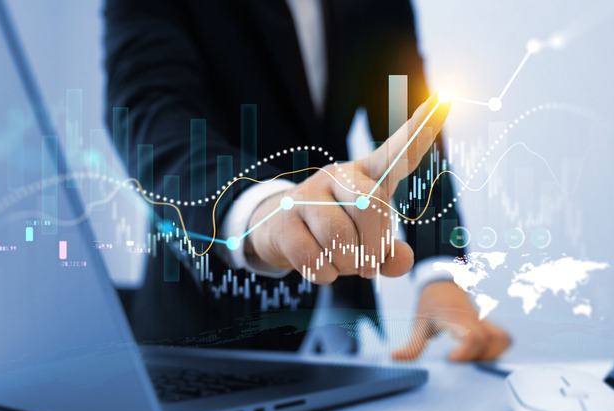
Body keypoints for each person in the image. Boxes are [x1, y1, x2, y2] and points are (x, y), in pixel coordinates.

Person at [104, 0, 510, 361]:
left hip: (339, 329)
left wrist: (439, 271)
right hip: (209, 337)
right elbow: (150, 112)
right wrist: (262, 210)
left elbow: (406, 125)